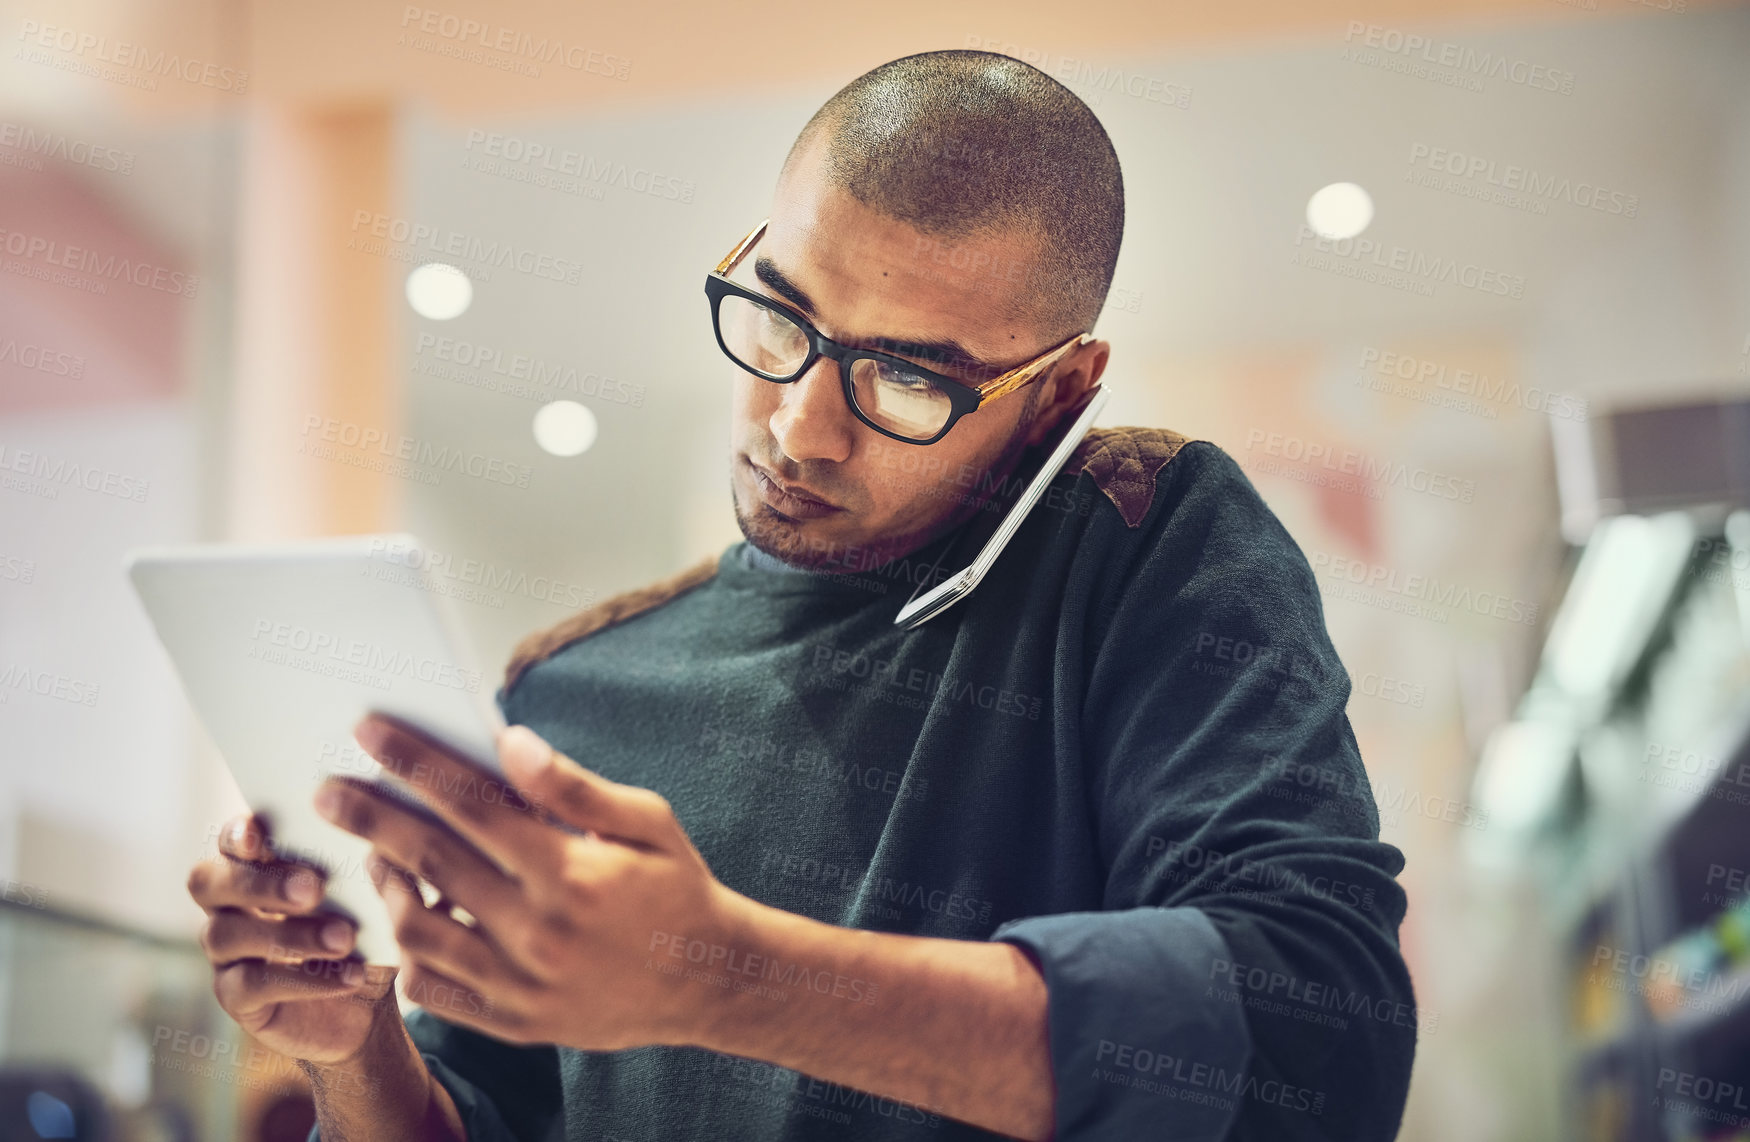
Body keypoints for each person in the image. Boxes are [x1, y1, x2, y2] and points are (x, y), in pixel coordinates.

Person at [186, 49, 1417, 1141]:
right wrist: (353, 1051)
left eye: (907, 379)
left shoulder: (1143, 539)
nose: (800, 423)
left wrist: (720, 974)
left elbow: (1318, 1039)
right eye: (782, 316)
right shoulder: (569, 685)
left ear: (1061, 390)